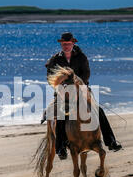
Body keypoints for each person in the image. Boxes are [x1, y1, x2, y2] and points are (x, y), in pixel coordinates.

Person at [45, 32, 122, 160]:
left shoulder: (81, 57)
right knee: (60, 115)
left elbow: (86, 73)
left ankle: (111, 141)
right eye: (64, 44)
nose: (66, 46)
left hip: (81, 89)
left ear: (73, 43)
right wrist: (60, 85)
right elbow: (49, 77)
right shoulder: (55, 59)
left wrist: (79, 84)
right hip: (62, 92)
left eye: (68, 44)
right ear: (61, 44)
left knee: (99, 110)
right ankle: (61, 147)